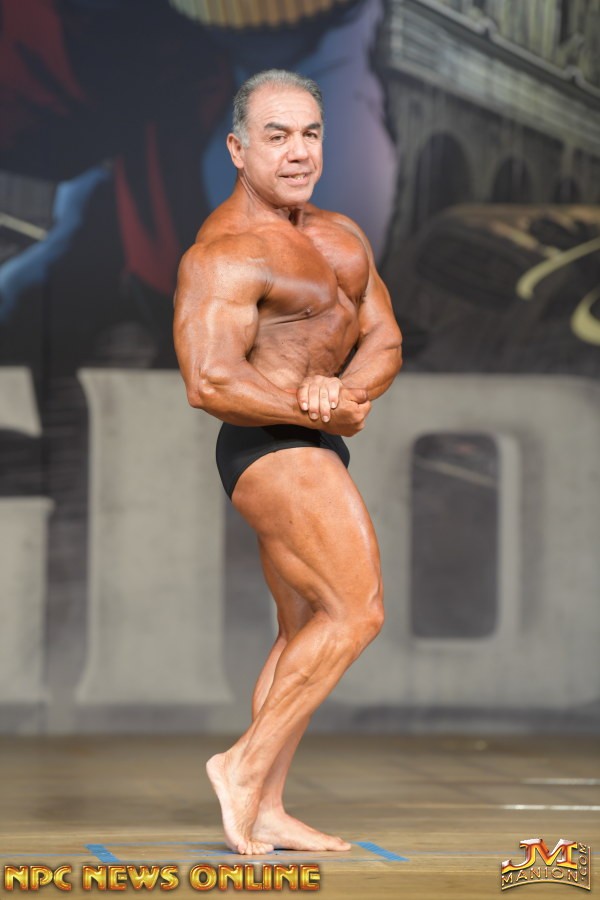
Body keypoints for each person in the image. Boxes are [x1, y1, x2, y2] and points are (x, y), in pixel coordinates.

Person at [173, 69, 402, 855]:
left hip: (314, 437)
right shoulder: (225, 253)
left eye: (310, 133)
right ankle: (241, 766)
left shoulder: (342, 236)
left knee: (302, 624)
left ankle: (266, 805)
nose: (299, 151)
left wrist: (346, 392)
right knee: (357, 610)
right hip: (267, 445)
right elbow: (209, 381)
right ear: (239, 150)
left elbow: (383, 336)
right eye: (277, 136)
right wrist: (314, 408)